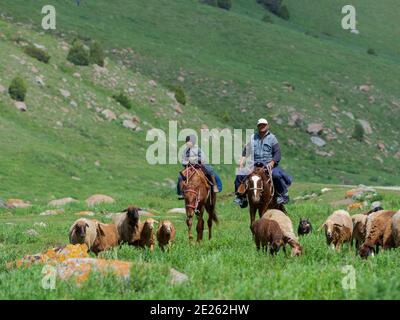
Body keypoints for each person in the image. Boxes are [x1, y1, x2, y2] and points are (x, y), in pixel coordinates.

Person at [234, 118, 292, 206]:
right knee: (240, 174)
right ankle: (241, 198)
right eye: (260, 125)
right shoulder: (253, 137)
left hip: (268, 164)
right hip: (254, 164)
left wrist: (272, 162)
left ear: (267, 126)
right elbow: (246, 150)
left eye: (264, 125)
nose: (262, 126)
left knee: (276, 175)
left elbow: (277, 153)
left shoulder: (272, 138)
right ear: (258, 126)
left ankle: (283, 195)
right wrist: (242, 161)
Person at [177, 135, 221, 199]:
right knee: (180, 177)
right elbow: (183, 160)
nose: (188, 143)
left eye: (190, 142)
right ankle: (181, 193)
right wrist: (186, 162)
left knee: (209, 170)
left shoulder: (198, 149)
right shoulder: (185, 151)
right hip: (189, 166)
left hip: (200, 165)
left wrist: (195, 159)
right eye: (187, 142)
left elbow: (203, 158)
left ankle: (214, 185)